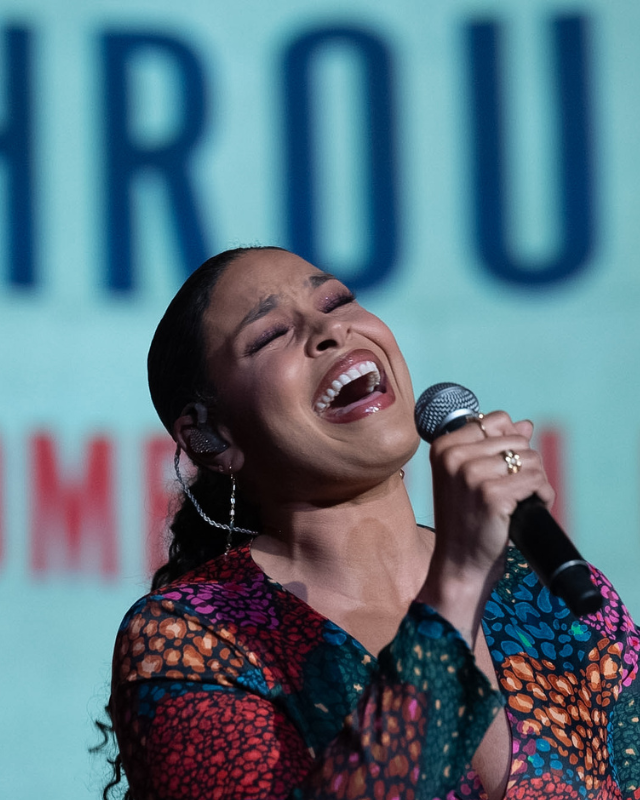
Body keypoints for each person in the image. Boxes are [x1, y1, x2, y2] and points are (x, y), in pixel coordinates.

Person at [109, 245, 640, 800]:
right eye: (269, 335)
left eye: (337, 299)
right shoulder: (193, 635)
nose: (330, 329)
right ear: (210, 438)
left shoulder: (557, 602)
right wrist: (457, 582)